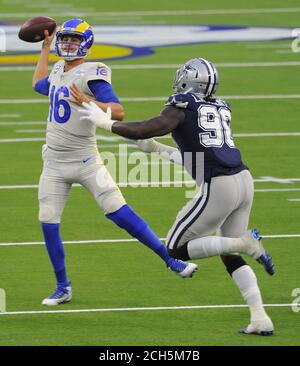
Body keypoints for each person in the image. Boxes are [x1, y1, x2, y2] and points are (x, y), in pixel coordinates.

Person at [80, 57, 275, 336]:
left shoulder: (183, 104)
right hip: (243, 181)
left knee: (176, 249)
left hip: (219, 185)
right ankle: (260, 318)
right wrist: (157, 149)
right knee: (228, 253)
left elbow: (146, 128)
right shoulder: (220, 106)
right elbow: (197, 156)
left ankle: (245, 242)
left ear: (189, 80)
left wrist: (106, 123)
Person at [32, 19, 198, 306]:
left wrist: (88, 101)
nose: (68, 44)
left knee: (118, 212)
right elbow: (38, 85)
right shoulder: (59, 68)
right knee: (48, 222)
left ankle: (171, 260)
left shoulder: (94, 72)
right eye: (65, 39)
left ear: (85, 44)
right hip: (54, 164)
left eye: (73, 40)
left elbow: (118, 112)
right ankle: (63, 287)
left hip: (85, 160)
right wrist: (45, 49)